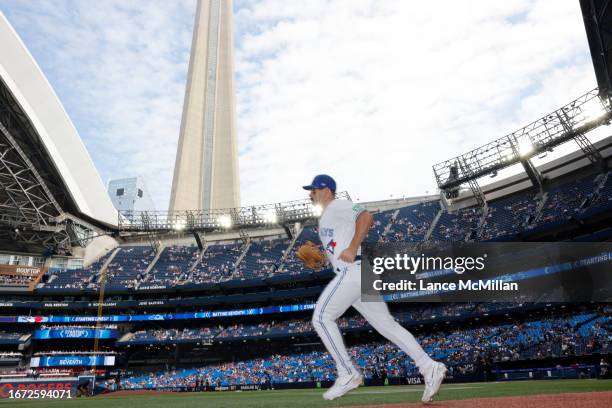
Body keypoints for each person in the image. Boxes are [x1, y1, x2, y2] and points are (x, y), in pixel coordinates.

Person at [302, 174, 446, 402]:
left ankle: (347, 372)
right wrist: (322, 260)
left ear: (326, 190)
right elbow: (337, 248)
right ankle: (429, 367)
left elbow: (366, 217)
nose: (310, 194)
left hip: (353, 272)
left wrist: (352, 247)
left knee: (321, 317)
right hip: (359, 273)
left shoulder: (337, 205)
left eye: (314, 190)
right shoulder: (327, 217)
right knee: (387, 325)